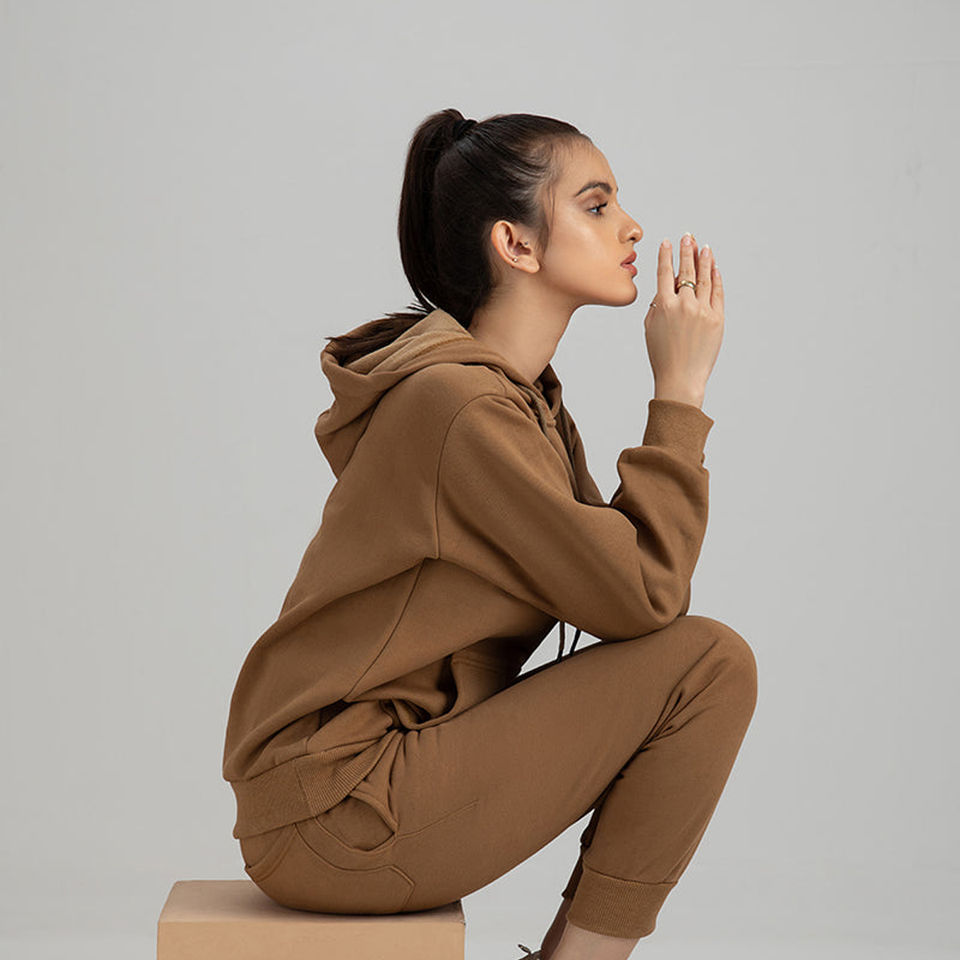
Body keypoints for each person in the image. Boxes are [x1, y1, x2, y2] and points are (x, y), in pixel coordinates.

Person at [221, 108, 757, 960]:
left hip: (352, 793)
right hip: (338, 808)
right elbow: (644, 595)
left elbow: (628, 585)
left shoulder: (519, 401)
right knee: (711, 665)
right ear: (516, 244)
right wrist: (679, 395)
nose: (631, 227)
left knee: (702, 663)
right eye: (596, 205)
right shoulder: (459, 407)